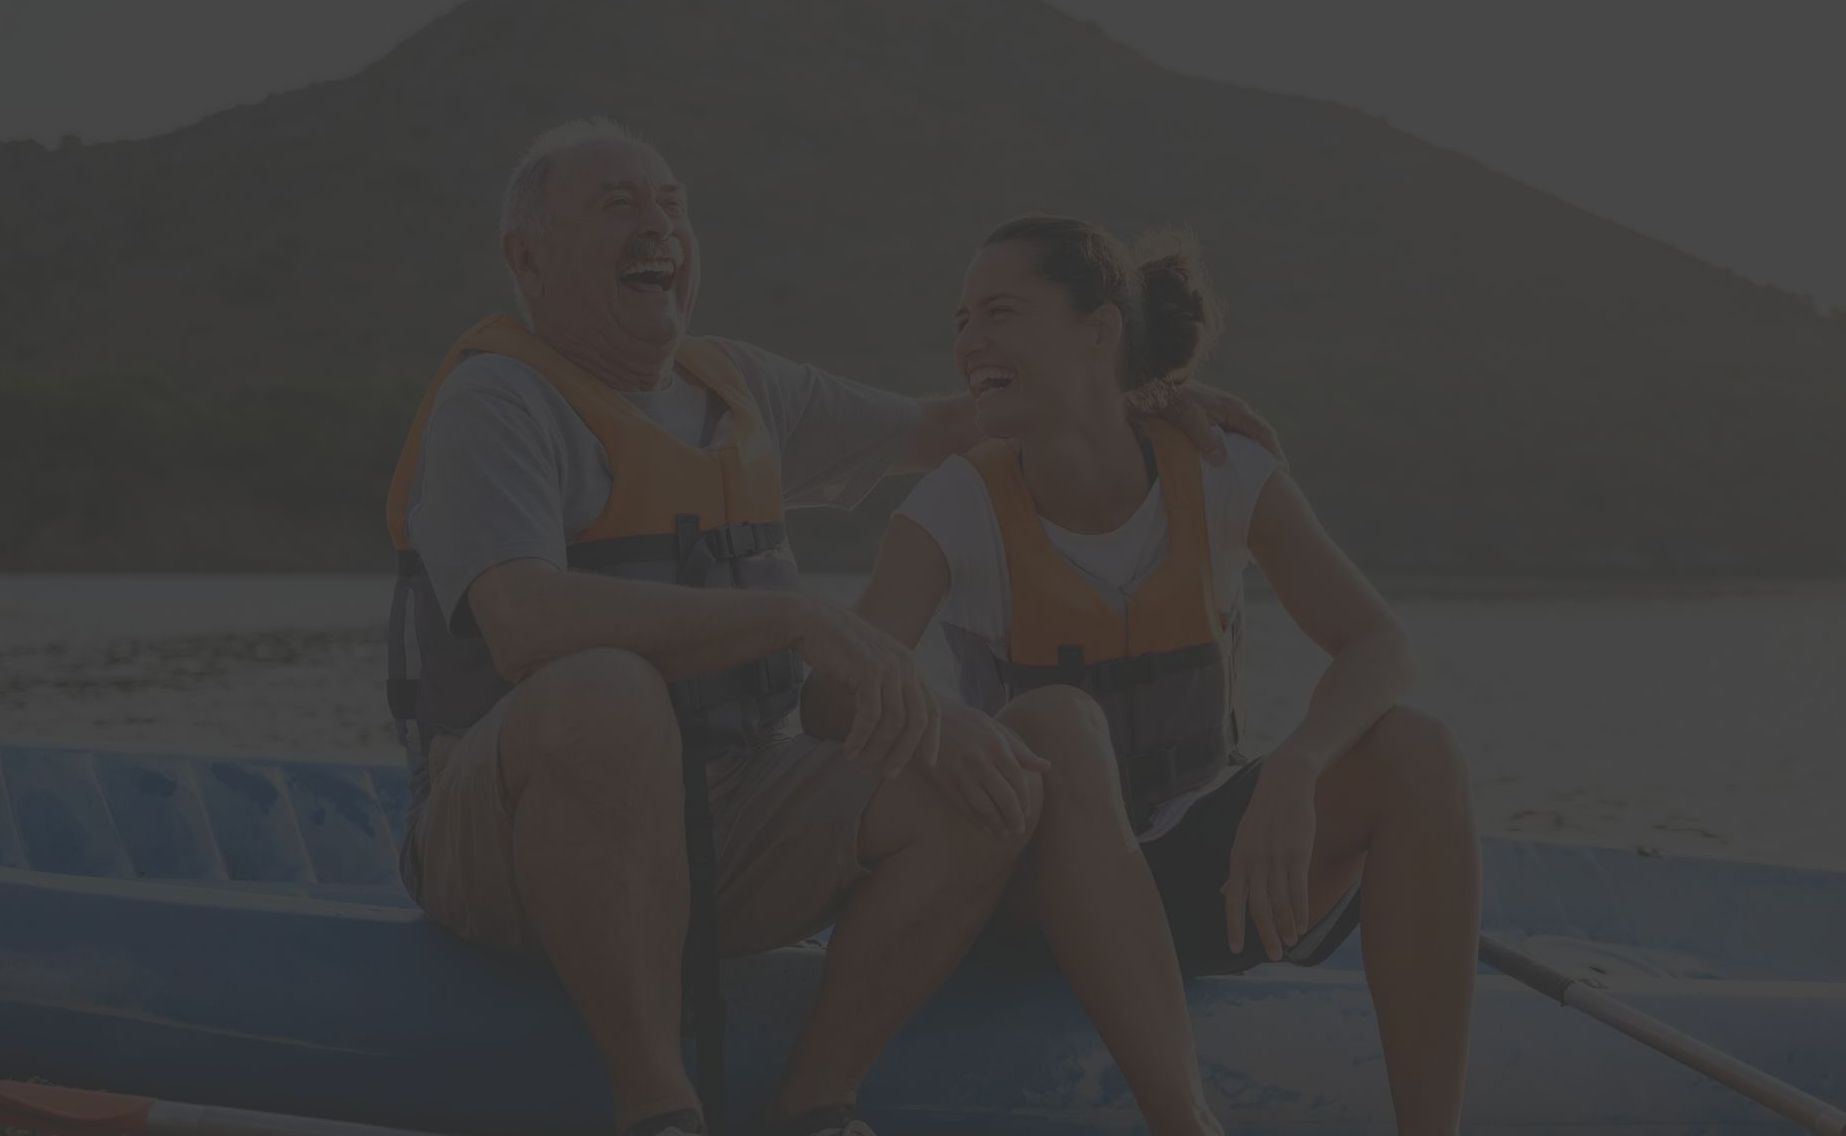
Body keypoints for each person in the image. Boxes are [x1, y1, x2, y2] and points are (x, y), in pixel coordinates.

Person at [381, 119, 1277, 1136]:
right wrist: (796, 617)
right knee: (605, 690)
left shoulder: (742, 387)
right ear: (526, 255)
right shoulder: (497, 399)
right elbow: (523, 622)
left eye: (671, 201)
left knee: (1006, 766)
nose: (658, 224)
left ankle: (814, 1098)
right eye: (617, 203)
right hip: (510, 830)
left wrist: (1130, 397)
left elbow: (953, 425)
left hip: (731, 809)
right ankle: (656, 1103)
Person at [830, 215, 1483, 1135]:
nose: (970, 341)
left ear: (1098, 332)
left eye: (1000, 313)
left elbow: (1380, 643)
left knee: (1417, 750)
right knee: (1055, 719)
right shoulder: (954, 502)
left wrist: (1295, 767)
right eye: (961, 320)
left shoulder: (1219, 467)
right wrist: (943, 732)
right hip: (1024, 904)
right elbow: (840, 693)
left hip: (1201, 888)